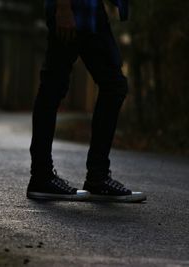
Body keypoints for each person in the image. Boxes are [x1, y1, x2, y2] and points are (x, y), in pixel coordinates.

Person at [26, 0, 146, 202]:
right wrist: (63, 8)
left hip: (91, 11)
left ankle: (97, 178)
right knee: (53, 88)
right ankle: (42, 176)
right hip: (74, 9)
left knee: (113, 85)